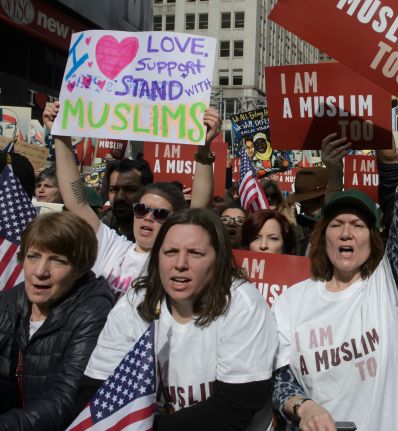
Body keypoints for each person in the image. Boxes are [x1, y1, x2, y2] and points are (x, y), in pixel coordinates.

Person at [270, 76, 398, 431]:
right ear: (323, 236)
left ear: (373, 239)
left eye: (359, 225)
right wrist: (303, 406)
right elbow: (279, 376)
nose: (347, 232)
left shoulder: (389, 290)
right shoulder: (291, 303)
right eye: (337, 224)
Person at [78, 208, 278, 429]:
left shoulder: (243, 304)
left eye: (195, 253)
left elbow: (236, 407)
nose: (180, 263)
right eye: (170, 252)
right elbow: (95, 392)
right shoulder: (134, 303)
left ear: (218, 259)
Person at [44, 101, 220, 296]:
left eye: (160, 214)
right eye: (141, 209)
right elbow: (76, 201)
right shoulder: (111, 246)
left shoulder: (174, 264)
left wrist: (204, 147)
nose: (148, 218)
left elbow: (199, 209)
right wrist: (60, 134)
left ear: (175, 221)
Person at [0, 212, 113, 430]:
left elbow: (66, 399)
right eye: (33, 257)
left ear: (80, 268)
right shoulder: (6, 303)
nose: (41, 272)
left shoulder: (92, 312)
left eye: (58, 261)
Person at [100, 158, 154, 240]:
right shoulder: (101, 231)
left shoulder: (161, 235)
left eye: (129, 189)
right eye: (113, 189)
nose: (120, 197)